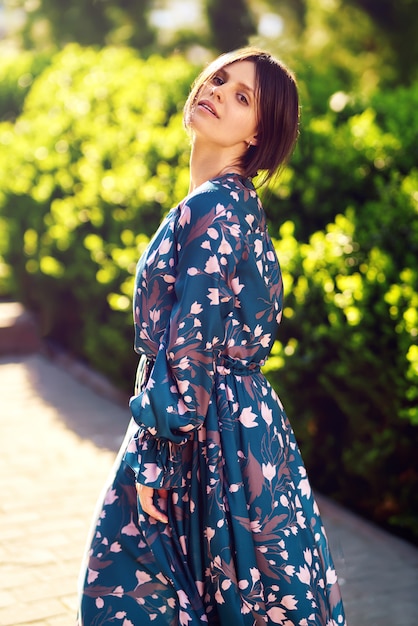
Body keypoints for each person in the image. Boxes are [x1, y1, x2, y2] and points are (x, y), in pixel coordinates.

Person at [78, 47, 346, 625]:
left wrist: (155, 457)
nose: (219, 92)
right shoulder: (232, 205)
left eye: (242, 96)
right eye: (220, 79)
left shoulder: (215, 208)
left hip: (203, 437)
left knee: (133, 591)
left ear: (257, 137)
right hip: (235, 432)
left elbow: (192, 341)